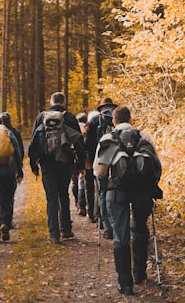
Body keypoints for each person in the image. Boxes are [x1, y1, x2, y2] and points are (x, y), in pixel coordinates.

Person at [94, 105, 162, 296]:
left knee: (120, 235)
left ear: (113, 121)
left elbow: (99, 171)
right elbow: (157, 164)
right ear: (131, 119)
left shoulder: (108, 138)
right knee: (140, 229)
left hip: (117, 192)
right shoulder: (144, 136)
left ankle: (125, 284)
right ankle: (139, 274)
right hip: (142, 192)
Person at [28, 92, 86, 244]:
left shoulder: (41, 117)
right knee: (63, 195)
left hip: (47, 163)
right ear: (64, 102)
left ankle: (54, 233)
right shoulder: (69, 117)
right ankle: (66, 229)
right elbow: (79, 142)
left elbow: (33, 143)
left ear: (51, 101)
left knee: (51, 198)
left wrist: (33, 165)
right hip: (65, 162)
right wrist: (81, 165)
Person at [0, 112, 24, 243]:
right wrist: (19, 171)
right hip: (8, 171)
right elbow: (17, 152)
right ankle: (5, 223)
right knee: (7, 198)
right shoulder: (8, 132)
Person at [85, 97, 118, 238]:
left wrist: (91, 162)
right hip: (117, 162)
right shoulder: (117, 119)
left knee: (103, 193)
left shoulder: (94, 121)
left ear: (101, 108)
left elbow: (87, 143)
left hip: (100, 161)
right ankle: (116, 223)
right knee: (115, 192)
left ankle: (107, 227)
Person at [75, 112, 89, 216]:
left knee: (77, 183)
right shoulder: (87, 128)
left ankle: (79, 205)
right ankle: (85, 206)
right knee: (85, 183)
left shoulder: (74, 128)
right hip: (85, 158)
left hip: (75, 158)